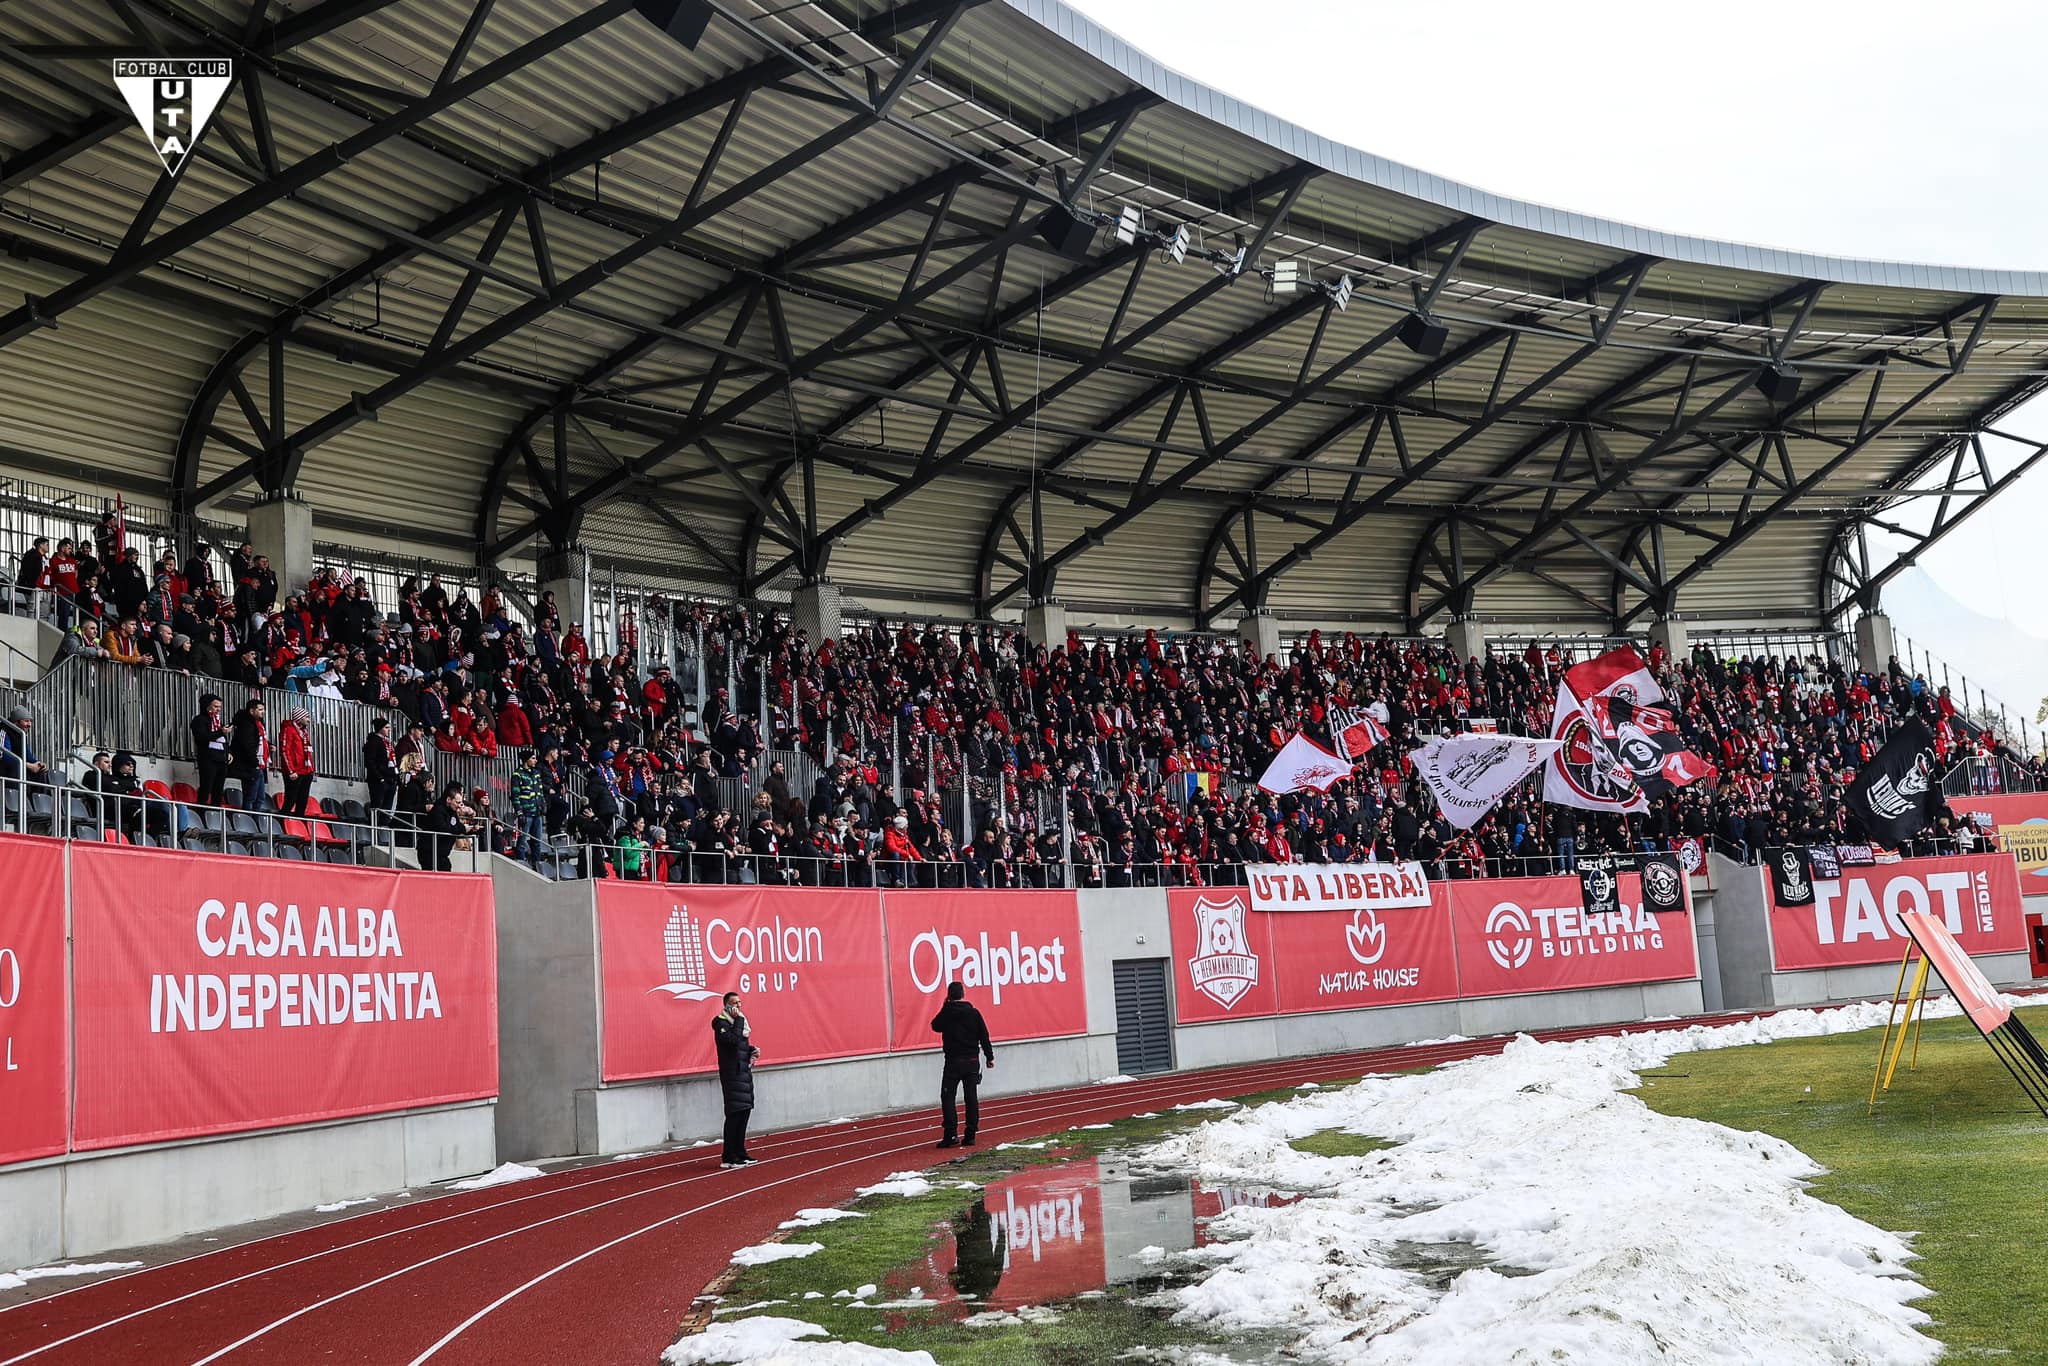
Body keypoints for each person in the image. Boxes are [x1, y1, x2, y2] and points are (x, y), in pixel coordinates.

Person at [930, 980, 994, 1148]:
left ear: (949, 995)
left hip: (953, 1062)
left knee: (948, 1096)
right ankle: (970, 1134)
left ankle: (951, 1134)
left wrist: (945, 1007)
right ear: (963, 994)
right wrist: (989, 1056)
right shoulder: (974, 1013)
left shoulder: (947, 1013)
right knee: (971, 1097)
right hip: (972, 1060)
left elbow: (935, 1026)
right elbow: (984, 1035)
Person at [712, 991, 758, 1168]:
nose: (738, 1006)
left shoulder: (740, 1025)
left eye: (740, 1003)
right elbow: (731, 1041)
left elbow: (739, 1045)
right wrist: (738, 1020)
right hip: (732, 1075)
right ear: (726, 1006)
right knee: (734, 1114)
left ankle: (740, 1152)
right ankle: (728, 1156)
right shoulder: (721, 1023)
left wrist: (751, 1050)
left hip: (743, 1073)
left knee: (744, 1112)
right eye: (734, 1003)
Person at [229, 697, 270, 810]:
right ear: (252, 711)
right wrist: (254, 762)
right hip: (251, 765)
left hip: (259, 764)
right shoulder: (246, 724)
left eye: (263, 709)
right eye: (260, 709)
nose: (263, 712)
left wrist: (269, 745)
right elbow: (248, 744)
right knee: (250, 796)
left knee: (260, 797)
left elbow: (260, 739)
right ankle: (249, 820)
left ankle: (256, 823)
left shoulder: (259, 723)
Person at [191, 693, 230, 805]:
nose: (218, 709)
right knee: (206, 788)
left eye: (220, 707)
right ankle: (202, 814)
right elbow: (202, 738)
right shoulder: (199, 720)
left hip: (221, 760)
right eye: (215, 706)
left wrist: (228, 752)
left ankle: (215, 815)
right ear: (207, 706)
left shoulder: (218, 722)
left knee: (218, 790)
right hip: (208, 759)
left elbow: (224, 741)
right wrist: (221, 732)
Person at [280, 707, 316, 817]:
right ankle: (282, 822)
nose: (308, 720)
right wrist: (291, 770)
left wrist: (311, 770)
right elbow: (285, 751)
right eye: (306, 717)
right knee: (291, 799)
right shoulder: (288, 730)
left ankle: (300, 821)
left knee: (303, 800)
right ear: (299, 718)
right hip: (295, 772)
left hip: (306, 771)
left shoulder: (303, 731)